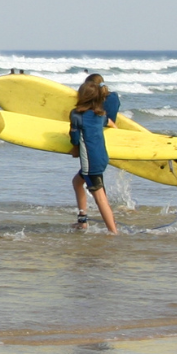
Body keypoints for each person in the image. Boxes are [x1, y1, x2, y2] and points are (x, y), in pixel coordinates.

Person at [69, 76, 118, 235]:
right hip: (102, 157)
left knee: (100, 197)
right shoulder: (100, 114)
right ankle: (82, 220)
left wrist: (74, 149)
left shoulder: (76, 115)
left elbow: (75, 138)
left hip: (90, 163)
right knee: (77, 182)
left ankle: (113, 232)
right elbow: (110, 123)